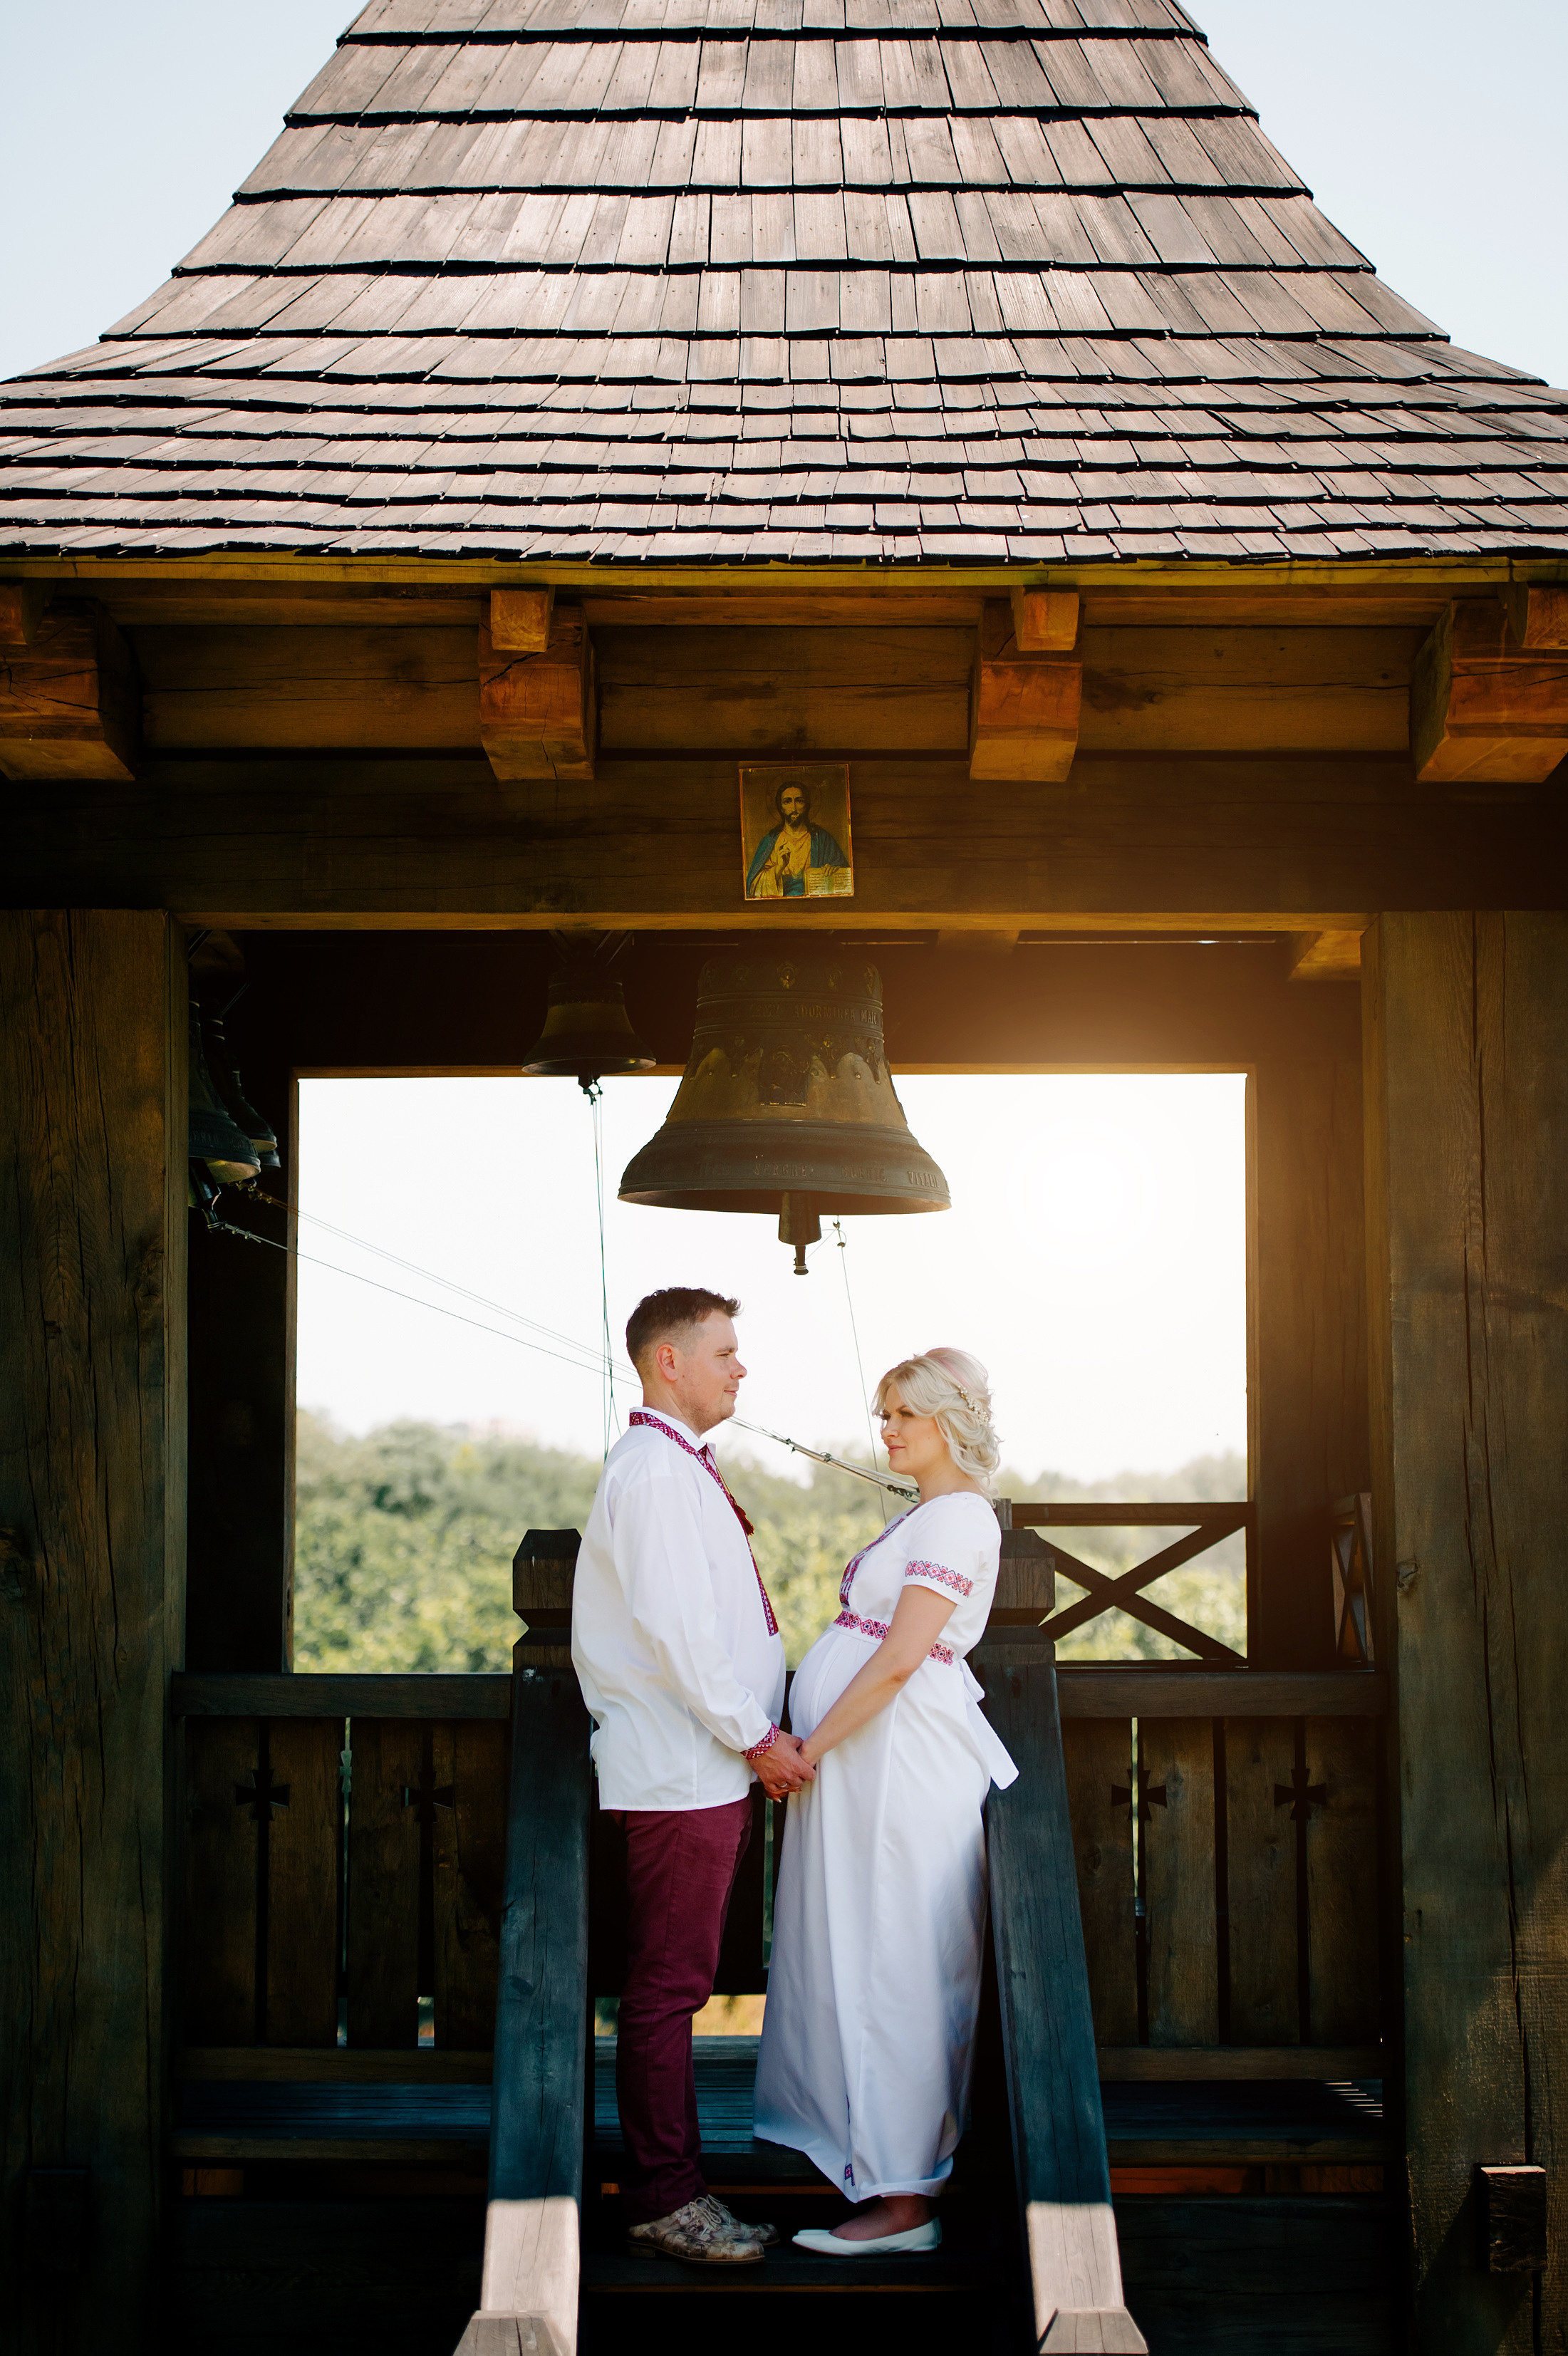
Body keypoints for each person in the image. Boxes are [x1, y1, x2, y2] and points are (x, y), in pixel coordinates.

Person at [753, 1347, 1017, 2256]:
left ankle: (905, 2199)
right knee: (856, 1949)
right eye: (885, 1412)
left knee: (899, 1959)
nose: (887, 1429)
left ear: (948, 1419)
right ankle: (864, 2158)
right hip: (870, 1766)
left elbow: (903, 1657)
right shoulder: (932, 1514)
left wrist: (806, 1748)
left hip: (897, 1764)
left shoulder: (957, 1520)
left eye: (903, 1412)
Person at [571, 1286, 814, 2266]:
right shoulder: (656, 1475)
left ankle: (674, 2184)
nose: (739, 1367)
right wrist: (756, 1733)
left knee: (676, 1982)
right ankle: (667, 2195)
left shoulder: (673, 1466)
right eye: (723, 1351)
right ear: (668, 1360)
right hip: (682, 1768)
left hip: (699, 1764)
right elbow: (677, 1631)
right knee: (668, 1989)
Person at [745, 777, 850, 898]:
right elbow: (753, 887)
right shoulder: (770, 841)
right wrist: (778, 868)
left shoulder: (822, 839)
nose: (794, 808)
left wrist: (835, 871)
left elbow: (846, 879)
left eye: (799, 801)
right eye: (787, 802)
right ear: (781, 807)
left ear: (807, 805)